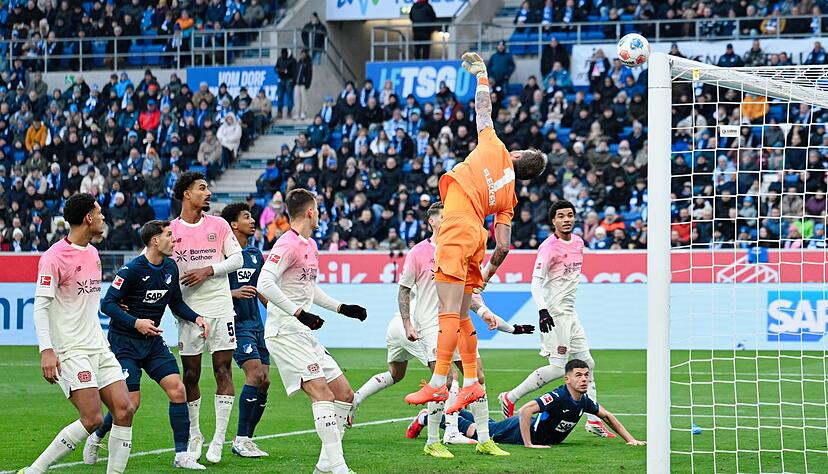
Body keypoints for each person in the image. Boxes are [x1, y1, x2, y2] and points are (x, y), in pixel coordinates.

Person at [404, 52, 547, 457]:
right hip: (477, 238)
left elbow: (482, 109)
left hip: (455, 224)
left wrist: (482, 75)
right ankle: (470, 382)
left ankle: (437, 379)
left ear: (519, 158)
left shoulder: (497, 147)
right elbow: (504, 244)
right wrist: (484, 273)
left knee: (447, 313)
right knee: (463, 314)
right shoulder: (510, 197)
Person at [351, 203, 535, 458]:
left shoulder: (461, 249)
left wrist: (483, 312)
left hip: (457, 323)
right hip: (430, 324)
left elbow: (465, 291)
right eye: (444, 218)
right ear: (432, 223)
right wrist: (407, 323)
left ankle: (484, 439)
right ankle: (435, 440)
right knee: (445, 380)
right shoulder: (418, 252)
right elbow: (404, 289)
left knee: (478, 377)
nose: (449, 221)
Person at [20, 193, 135, 474]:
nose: (103, 217)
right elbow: (40, 307)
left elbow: (84, 299)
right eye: (99, 212)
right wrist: (47, 350)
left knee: (125, 409)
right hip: (71, 350)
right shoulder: (54, 257)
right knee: (93, 418)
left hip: (98, 345)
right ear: (88, 218)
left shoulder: (93, 253)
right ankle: (35, 469)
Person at [257, 188, 368, 474]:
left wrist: (342, 308)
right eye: (317, 209)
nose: (319, 214)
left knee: (344, 394)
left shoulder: (310, 245)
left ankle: (323, 467)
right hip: (284, 332)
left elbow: (308, 288)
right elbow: (264, 283)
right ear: (309, 211)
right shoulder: (287, 244)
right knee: (323, 394)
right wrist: (299, 313)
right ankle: (340, 468)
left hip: (302, 333)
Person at [83, 220, 209, 470]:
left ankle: (181, 455)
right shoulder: (131, 270)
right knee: (130, 405)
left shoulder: (170, 267)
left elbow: (175, 303)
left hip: (152, 342)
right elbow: (107, 304)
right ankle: (97, 435)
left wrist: (196, 317)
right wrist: (135, 322)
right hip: (125, 344)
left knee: (178, 390)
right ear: (155, 240)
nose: (174, 240)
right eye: (169, 235)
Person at [497, 200, 616, 438]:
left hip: (571, 313)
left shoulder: (579, 242)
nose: (567, 219)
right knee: (558, 367)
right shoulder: (548, 247)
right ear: (553, 221)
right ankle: (510, 397)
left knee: (587, 363)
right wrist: (542, 311)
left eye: (570, 215)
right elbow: (536, 281)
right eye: (561, 216)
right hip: (554, 314)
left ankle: (592, 420)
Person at [170, 172, 244, 463]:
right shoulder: (171, 230)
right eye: (202, 188)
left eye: (208, 187)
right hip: (188, 311)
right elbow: (150, 259)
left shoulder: (219, 225)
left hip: (220, 306)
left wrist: (208, 270)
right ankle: (195, 434)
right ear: (187, 194)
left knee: (223, 370)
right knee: (190, 374)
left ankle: (218, 438)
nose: (208, 193)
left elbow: (237, 259)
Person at [415, 359, 646, 448]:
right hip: (522, 430)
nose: (584, 379)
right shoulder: (558, 396)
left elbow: (607, 415)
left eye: (586, 375)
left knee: (488, 424)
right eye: (578, 375)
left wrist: (631, 439)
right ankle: (428, 417)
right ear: (567, 379)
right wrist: (529, 444)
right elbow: (526, 410)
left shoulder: (583, 400)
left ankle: (459, 411)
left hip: (527, 431)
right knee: (479, 432)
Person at [220, 203, 271, 458]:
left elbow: (262, 288)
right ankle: (240, 439)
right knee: (254, 375)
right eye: (247, 217)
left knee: (265, 381)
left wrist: (278, 309)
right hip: (236, 325)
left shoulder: (254, 254)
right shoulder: (222, 256)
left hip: (257, 326)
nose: (253, 221)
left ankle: (248, 439)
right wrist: (233, 293)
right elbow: (208, 291)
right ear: (233, 224)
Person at [275, 48, 297, 119]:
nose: (283, 55)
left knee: (289, 97)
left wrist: (286, 71)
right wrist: (278, 70)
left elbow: (294, 71)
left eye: (285, 53)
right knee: (279, 97)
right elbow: (276, 67)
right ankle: (279, 112)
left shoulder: (292, 60)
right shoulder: (280, 59)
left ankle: (289, 112)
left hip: (289, 80)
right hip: (281, 80)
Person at [293, 49, 313, 120]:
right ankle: (297, 113)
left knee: (304, 99)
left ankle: (303, 113)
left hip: (303, 84)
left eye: (304, 54)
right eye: (302, 54)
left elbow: (309, 75)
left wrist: (307, 84)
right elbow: (295, 73)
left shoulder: (308, 63)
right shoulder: (299, 63)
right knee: (296, 99)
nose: (303, 55)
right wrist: (294, 82)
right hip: (297, 84)